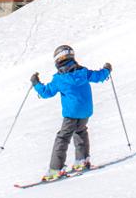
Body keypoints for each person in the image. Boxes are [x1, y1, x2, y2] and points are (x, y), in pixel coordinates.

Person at [31, 45, 111, 181]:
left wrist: (36, 83)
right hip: (86, 110)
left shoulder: (59, 79)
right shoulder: (83, 72)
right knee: (80, 131)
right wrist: (107, 69)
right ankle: (82, 161)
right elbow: (99, 76)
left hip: (71, 113)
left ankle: (55, 169)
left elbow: (46, 92)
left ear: (57, 60)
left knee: (62, 138)